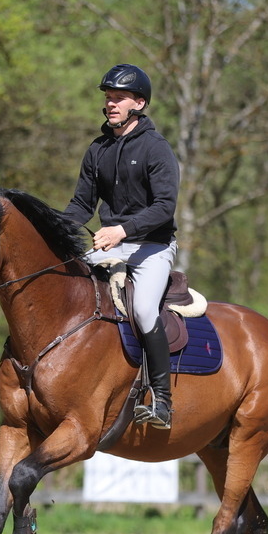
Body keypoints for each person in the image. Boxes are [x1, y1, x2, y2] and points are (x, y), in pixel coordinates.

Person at [64, 63, 180, 430]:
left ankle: (162, 400)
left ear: (139, 103)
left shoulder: (156, 149)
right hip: (109, 246)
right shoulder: (97, 150)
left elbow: (164, 207)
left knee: (145, 310)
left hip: (152, 247)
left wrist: (121, 230)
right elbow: (82, 206)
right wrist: (50, 230)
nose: (110, 104)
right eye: (108, 98)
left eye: (118, 98)